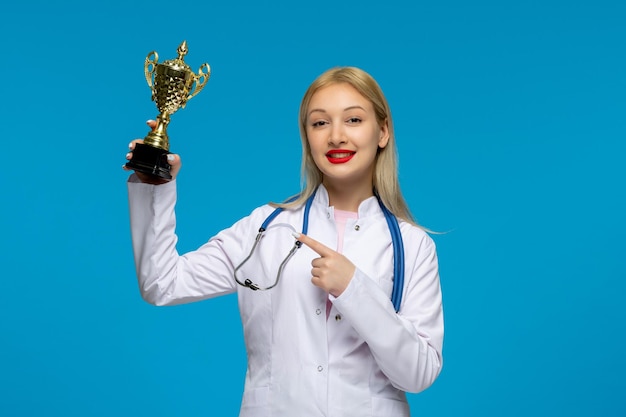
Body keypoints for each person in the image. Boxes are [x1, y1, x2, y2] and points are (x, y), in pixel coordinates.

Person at [124, 66, 444, 417]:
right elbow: (161, 283)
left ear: (382, 132)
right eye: (320, 123)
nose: (336, 136)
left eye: (353, 120)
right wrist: (155, 188)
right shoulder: (265, 227)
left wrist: (353, 288)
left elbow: (419, 374)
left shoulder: (412, 246)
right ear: (307, 136)